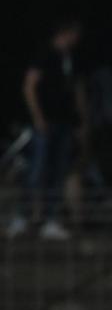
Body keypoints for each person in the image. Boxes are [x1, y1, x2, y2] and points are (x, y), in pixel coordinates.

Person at [13, 18, 88, 240]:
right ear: (66, 32)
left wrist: (79, 121)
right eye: (75, 34)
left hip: (65, 123)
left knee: (59, 172)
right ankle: (23, 217)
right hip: (46, 124)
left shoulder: (71, 58)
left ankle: (51, 220)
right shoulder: (45, 53)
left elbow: (75, 90)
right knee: (37, 171)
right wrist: (38, 118)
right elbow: (29, 86)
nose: (77, 39)